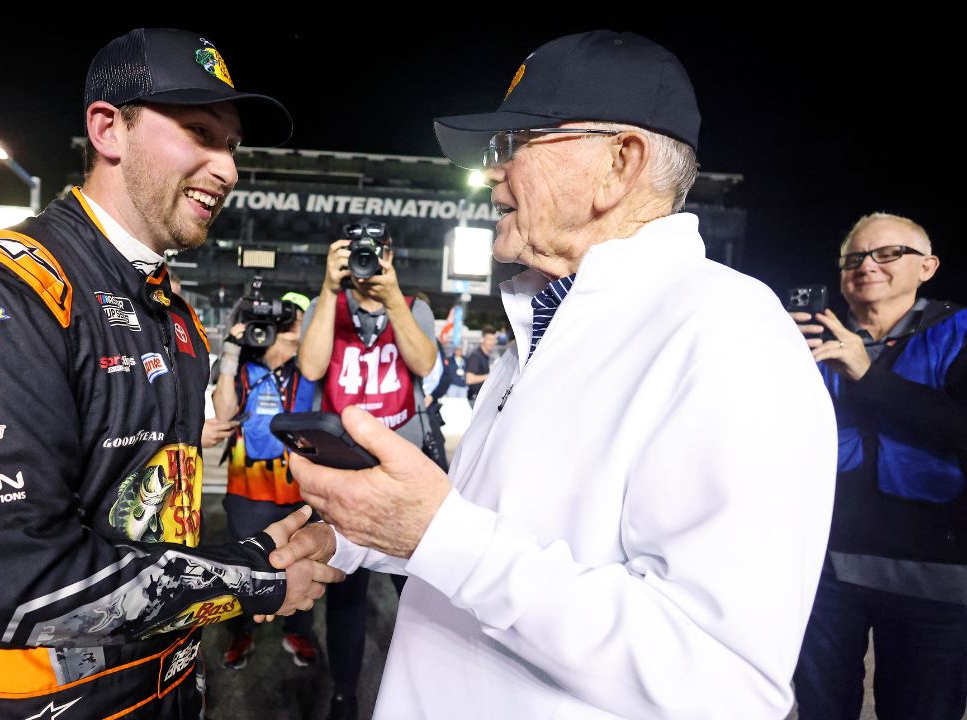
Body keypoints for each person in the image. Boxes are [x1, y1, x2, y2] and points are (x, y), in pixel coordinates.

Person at [275, 30, 837, 719]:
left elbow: (720, 679)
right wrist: (358, 538)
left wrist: (437, 535)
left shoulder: (729, 332)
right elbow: (495, 538)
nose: (490, 174)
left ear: (619, 164)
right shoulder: (544, 320)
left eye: (515, 147)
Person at [0, 29, 341, 719]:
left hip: (170, 691)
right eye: (200, 132)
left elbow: (144, 524)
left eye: (232, 146)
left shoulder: (169, 305)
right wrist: (255, 582)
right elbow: (11, 582)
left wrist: (247, 556)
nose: (229, 169)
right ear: (107, 129)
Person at [790, 213, 967, 720]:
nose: (867, 266)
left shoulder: (957, 333)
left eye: (889, 254)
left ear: (928, 267)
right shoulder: (809, 336)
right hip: (823, 572)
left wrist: (868, 375)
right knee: (822, 709)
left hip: (932, 576)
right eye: (854, 258)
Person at [297, 223, 438, 719]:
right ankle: (343, 694)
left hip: (405, 468)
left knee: (420, 587)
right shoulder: (327, 305)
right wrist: (326, 290)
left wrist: (396, 299)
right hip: (345, 466)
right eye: (356, 253)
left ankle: (431, 689)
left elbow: (425, 363)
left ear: (390, 256)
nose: (364, 263)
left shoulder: (413, 304)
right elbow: (311, 369)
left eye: (374, 254)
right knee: (347, 592)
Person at [212, 291, 320, 669]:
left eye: (300, 316)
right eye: (291, 318)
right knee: (244, 564)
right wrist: (229, 352)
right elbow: (223, 412)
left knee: (303, 556)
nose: (295, 324)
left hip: (300, 485)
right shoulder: (244, 365)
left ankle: (299, 630)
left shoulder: (309, 365)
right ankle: (240, 632)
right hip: (248, 488)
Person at [464, 326, 496, 406]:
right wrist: (489, 376)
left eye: (494, 340)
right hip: (474, 400)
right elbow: (469, 379)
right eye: (489, 339)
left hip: (481, 400)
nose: (492, 342)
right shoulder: (476, 356)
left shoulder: (485, 357)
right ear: (482, 339)